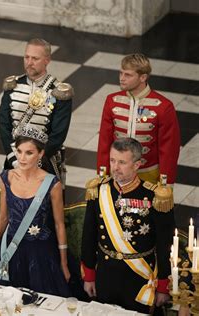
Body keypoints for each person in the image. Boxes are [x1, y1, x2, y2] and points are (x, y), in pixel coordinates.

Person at [82, 137, 174, 314]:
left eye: (122, 162)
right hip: (106, 276)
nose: (115, 167)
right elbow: (89, 236)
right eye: (112, 160)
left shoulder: (155, 197)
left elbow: (165, 244)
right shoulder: (99, 190)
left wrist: (163, 285)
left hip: (138, 279)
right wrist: (89, 276)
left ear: (137, 165)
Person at [0, 126, 71, 296]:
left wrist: (63, 263)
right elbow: (3, 218)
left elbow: (59, 224)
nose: (22, 158)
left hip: (40, 253)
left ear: (40, 154)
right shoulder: (6, 178)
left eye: (29, 153)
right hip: (9, 250)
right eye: (19, 151)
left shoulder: (53, 184)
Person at [0, 38, 73, 188]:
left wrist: (37, 160)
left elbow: (58, 133)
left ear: (47, 60)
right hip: (14, 158)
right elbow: (3, 124)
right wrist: (14, 158)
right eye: (27, 57)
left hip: (44, 161)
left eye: (35, 58)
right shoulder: (13, 85)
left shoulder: (59, 92)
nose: (29, 62)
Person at [97, 53, 180, 184]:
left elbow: (169, 149)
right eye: (121, 73)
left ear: (143, 77)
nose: (122, 78)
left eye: (128, 75)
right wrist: (102, 174)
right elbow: (104, 141)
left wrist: (166, 183)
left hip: (148, 176)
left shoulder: (164, 106)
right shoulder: (111, 101)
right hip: (117, 174)